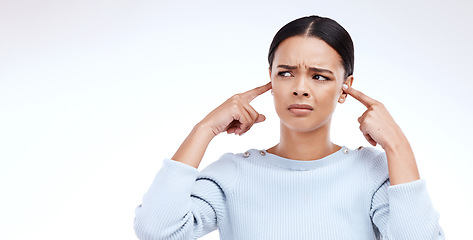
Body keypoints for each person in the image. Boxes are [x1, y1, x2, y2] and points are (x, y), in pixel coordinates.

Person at [134, 15, 444, 239]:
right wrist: (204, 130)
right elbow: (157, 230)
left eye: (319, 76)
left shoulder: (371, 173)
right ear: (270, 78)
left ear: (345, 88)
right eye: (285, 73)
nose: (300, 88)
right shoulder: (232, 174)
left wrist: (398, 147)